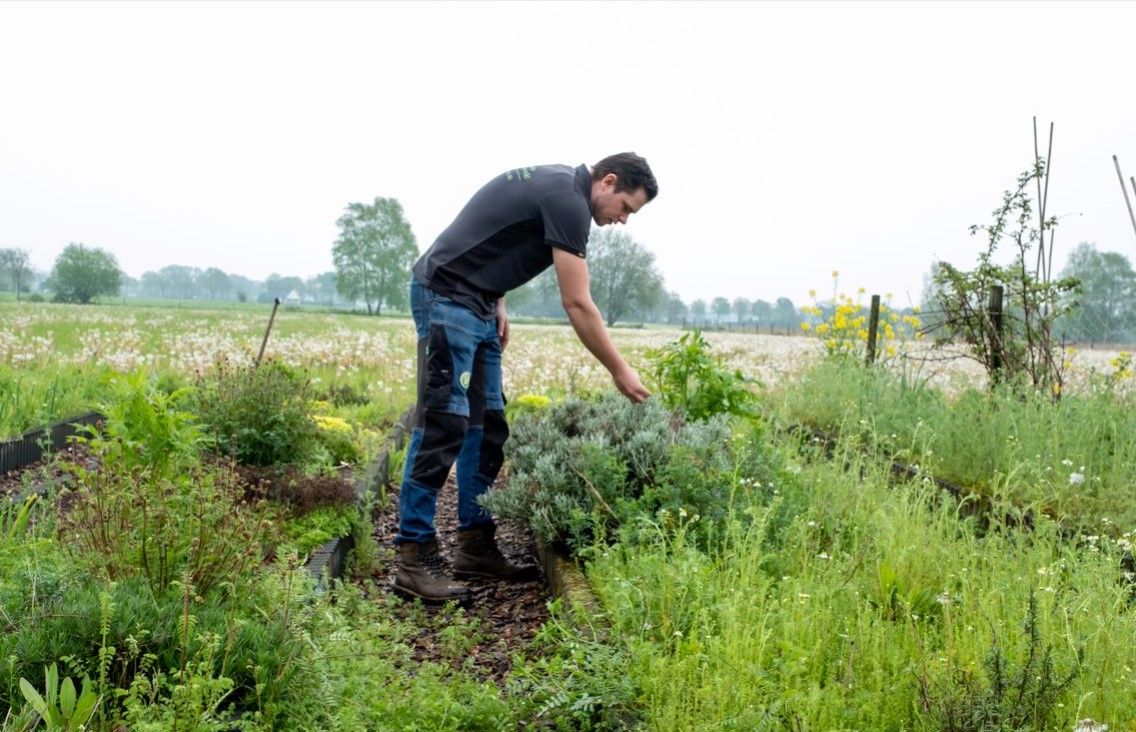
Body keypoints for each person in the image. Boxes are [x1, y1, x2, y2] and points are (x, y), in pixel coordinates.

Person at [393, 152, 658, 603]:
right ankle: (413, 556)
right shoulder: (569, 202)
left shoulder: (561, 187)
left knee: (487, 427)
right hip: (447, 294)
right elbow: (577, 302)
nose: (623, 220)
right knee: (443, 421)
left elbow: (496, 234)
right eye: (626, 208)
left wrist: (498, 299)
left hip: (478, 300)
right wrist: (619, 369)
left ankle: (475, 544)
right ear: (608, 181)